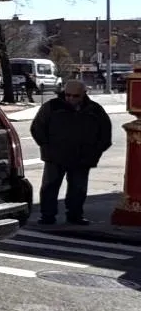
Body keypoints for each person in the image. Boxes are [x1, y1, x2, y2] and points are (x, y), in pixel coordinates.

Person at [30, 79, 113, 226]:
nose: (71, 99)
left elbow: (105, 133)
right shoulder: (52, 107)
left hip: (82, 157)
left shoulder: (94, 110)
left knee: (78, 189)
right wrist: (47, 147)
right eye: (68, 95)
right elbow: (37, 128)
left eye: (75, 96)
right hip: (55, 156)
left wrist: (95, 152)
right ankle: (47, 216)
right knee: (50, 186)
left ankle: (75, 215)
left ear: (83, 95)